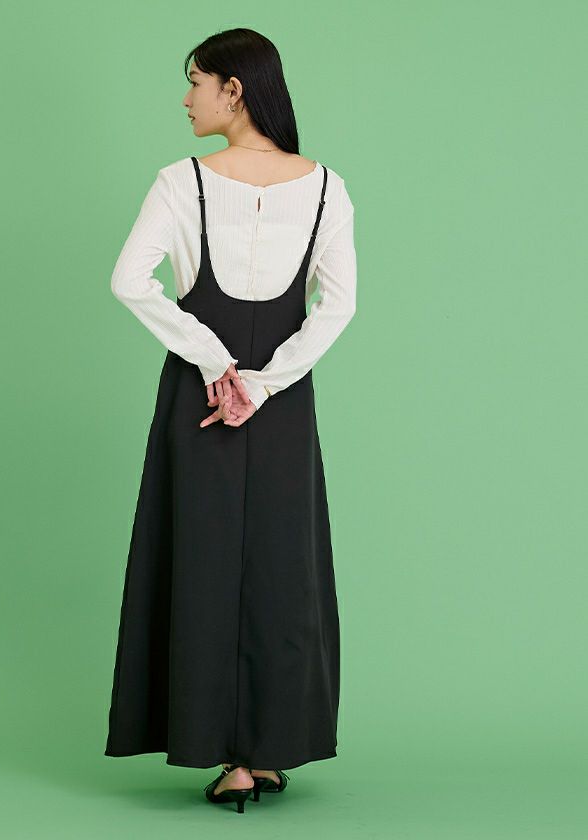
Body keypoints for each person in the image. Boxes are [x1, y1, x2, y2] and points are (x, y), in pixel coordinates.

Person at [104, 27, 357, 813]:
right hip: (279, 403)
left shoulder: (180, 182)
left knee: (202, 559)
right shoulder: (327, 188)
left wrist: (215, 365)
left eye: (196, 82)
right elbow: (337, 306)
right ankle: (269, 751)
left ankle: (227, 758)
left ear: (234, 90)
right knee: (285, 567)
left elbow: (130, 280)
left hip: (202, 396)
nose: (187, 99)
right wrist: (265, 383)